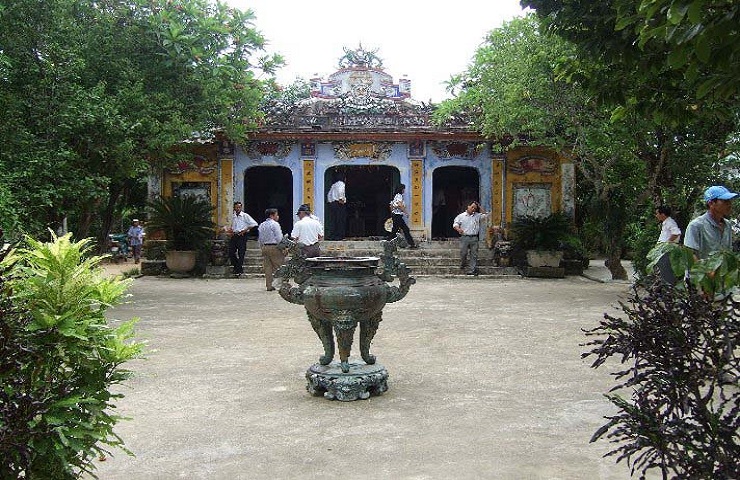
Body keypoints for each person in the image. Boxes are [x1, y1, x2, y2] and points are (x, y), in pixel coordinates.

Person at [684, 186, 737, 260]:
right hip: (700, 271)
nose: (729, 204)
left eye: (729, 201)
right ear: (711, 203)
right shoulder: (696, 225)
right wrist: (706, 271)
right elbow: (690, 254)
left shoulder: (727, 225)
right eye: (725, 201)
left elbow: (728, 252)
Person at [453, 201, 489, 275]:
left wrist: (479, 206)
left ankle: (472, 269)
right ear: (468, 206)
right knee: (463, 253)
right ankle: (463, 263)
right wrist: (458, 229)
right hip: (464, 237)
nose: (473, 209)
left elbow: (485, 215)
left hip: (474, 238)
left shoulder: (478, 215)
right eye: (472, 207)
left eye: (475, 208)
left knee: (474, 254)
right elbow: (455, 224)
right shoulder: (461, 216)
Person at [258, 208, 285, 291]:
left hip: (265, 247)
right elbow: (279, 238)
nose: (278, 216)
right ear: (272, 215)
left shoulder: (262, 225)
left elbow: (260, 238)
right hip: (274, 247)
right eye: (276, 215)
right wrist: (283, 248)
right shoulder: (275, 224)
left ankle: (269, 285)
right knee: (279, 266)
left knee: (268, 267)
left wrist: (262, 247)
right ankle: (282, 285)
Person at [228, 201, 258, 276]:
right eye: (236, 207)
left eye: (239, 207)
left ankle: (238, 270)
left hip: (242, 235)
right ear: (234, 208)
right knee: (231, 252)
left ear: (241, 207)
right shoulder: (233, 216)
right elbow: (231, 226)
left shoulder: (245, 215)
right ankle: (237, 267)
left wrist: (245, 230)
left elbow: (254, 224)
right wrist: (230, 231)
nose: (238, 208)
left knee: (241, 253)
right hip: (234, 235)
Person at [654, 205, 682, 284]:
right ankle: (665, 286)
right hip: (663, 250)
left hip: (667, 250)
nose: (656, 216)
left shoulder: (670, 222)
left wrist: (667, 243)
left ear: (662, 214)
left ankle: (669, 287)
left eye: (657, 214)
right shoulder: (666, 222)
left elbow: (676, 233)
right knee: (662, 269)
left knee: (666, 269)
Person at [389, 184, 417, 249]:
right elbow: (400, 205)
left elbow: (391, 206)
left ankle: (388, 242)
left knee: (395, 230)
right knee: (405, 229)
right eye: (403, 189)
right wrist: (406, 213)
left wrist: (393, 212)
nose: (404, 190)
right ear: (401, 189)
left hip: (395, 215)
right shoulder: (399, 196)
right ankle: (412, 244)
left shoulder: (395, 196)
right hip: (398, 216)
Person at [327, 173, 347, 240]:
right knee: (340, 220)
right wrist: (341, 200)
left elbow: (329, 195)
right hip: (339, 203)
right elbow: (340, 191)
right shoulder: (341, 184)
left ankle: (333, 235)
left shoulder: (333, 185)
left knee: (334, 220)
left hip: (333, 203)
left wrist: (330, 202)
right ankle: (340, 236)